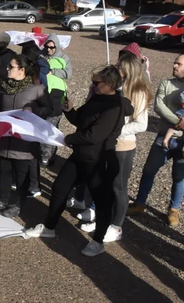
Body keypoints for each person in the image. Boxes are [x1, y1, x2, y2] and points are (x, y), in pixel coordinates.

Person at [26, 66, 132, 257]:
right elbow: (80, 120)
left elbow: (95, 135)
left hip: (99, 160)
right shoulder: (96, 99)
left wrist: (69, 139)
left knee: (101, 201)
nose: (93, 85)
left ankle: (98, 241)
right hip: (80, 156)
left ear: (109, 84)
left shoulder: (115, 106)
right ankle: (49, 226)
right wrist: (70, 110)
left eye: (97, 82)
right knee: (59, 188)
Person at [74, 51, 152, 241]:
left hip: (123, 146)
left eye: (120, 67)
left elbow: (141, 124)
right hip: (107, 146)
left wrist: (115, 130)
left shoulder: (139, 92)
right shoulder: (117, 89)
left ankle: (116, 227)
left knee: (119, 188)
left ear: (129, 70)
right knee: (102, 184)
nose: (117, 70)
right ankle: (102, 218)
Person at [0, 55, 52, 218]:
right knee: (5, 171)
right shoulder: (3, 88)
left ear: (22, 70)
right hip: (4, 139)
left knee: (21, 174)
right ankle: (2, 199)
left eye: (11, 67)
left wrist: (33, 111)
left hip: (24, 142)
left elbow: (50, 109)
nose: (7, 69)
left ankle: (17, 204)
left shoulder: (36, 89)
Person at [129, 53, 184, 226]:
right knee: (148, 171)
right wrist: (180, 122)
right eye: (174, 63)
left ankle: (173, 210)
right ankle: (140, 204)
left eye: (179, 64)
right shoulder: (166, 84)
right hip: (164, 137)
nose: (174, 66)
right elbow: (159, 106)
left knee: (179, 176)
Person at [38, 34, 70, 168]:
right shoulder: (40, 56)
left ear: (57, 46)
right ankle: (46, 154)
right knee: (43, 127)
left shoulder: (64, 58)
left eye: (52, 47)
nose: (49, 49)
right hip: (42, 94)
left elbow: (69, 73)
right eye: (47, 46)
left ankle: (48, 156)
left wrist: (52, 71)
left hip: (57, 96)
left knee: (52, 127)